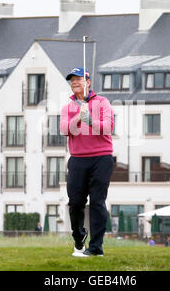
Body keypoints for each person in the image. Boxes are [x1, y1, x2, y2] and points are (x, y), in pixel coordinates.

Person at [60, 67, 115, 257]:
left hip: (101, 157)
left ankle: (96, 248)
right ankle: (78, 238)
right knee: (75, 203)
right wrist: (78, 116)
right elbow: (65, 130)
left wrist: (90, 120)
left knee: (98, 202)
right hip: (78, 159)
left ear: (88, 82)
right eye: (72, 80)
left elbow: (108, 127)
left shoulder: (103, 102)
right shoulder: (67, 107)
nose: (75, 82)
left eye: (79, 79)